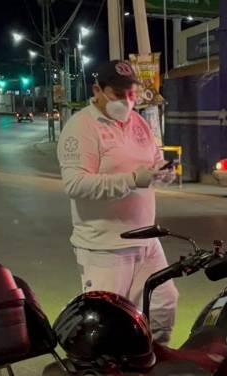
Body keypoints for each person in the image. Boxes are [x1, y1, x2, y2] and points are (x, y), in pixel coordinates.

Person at [57, 60, 178, 343]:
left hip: (146, 239)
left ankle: (154, 364)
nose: (126, 101)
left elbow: (154, 161)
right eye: (118, 94)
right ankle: (107, 373)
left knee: (162, 306)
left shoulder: (139, 123)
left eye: (131, 94)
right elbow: (76, 184)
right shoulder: (81, 127)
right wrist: (132, 179)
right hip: (105, 247)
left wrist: (162, 173)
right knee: (107, 327)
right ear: (97, 90)